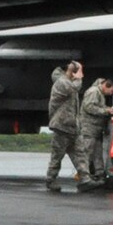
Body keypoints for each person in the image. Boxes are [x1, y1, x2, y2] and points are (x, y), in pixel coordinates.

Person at [45, 60, 85, 192]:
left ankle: (85, 179)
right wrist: (79, 77)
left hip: (71, 126)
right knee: (57, 155)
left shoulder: (67, 82)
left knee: (79, 153)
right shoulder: (62, 82)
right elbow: (73, 88)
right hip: (61, 125)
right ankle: (51, 179)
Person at [79, 78, 113, 182]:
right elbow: (89, 107)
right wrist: (106, 110)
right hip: (89, 127)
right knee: (87, 152)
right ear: (106, 86)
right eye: (111, 91)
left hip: (96, 128)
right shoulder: (94, 92)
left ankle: (99, 173)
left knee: (97, 152)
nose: (111, 94)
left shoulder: (99, 94)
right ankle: (84, 176)